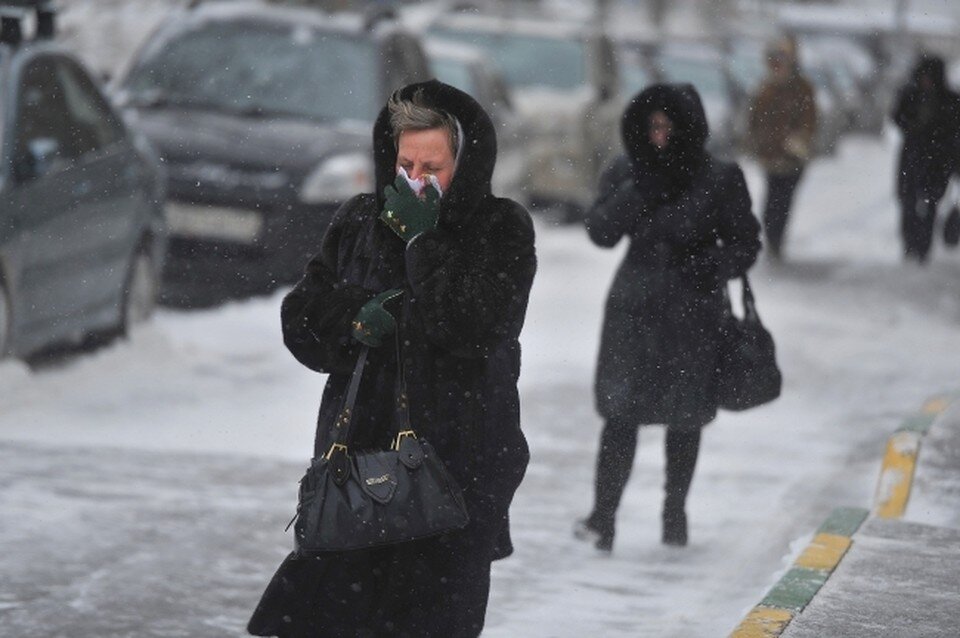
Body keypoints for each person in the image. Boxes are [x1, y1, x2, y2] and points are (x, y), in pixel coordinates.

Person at [247, 80, 537, 637]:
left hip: (457, 475)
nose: (416, 180)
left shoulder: (500, 228)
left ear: (466, 161)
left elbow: (474, 328)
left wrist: (422, 244)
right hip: (356, 471)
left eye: (434, 166)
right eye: (406, 163)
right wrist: (357, 320)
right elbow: (302, 318)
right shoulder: (360, 219)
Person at [575, 83, 761, 551]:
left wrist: (714, 264)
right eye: (651, 126)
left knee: (685, 417)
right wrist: (639, 186)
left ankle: (674, 513)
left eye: (668, 125)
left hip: (693, 311)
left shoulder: (720, 177)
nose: (659, 135)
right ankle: (603, 517)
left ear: (688, 127)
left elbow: (746, 243)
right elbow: (599, 231)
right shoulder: (626, 168)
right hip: (633, 305)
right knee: (620, 414)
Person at [748, 36, 817, 261]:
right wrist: (757, 143)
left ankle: (776, 241)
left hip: (792, 159)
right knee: (771, 201)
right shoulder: (766, 88)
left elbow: (810, 120)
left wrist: (798, 140)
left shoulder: (802, 89)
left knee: (783, 200)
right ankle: (771, 238)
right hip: (770, 156)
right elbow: (755, 119)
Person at [892, 53, 960, 264]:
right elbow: (897, 117)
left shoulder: (950, 100)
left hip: (938, 160)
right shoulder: (910, 95)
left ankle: (923, 246)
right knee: (908, 201)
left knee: (930, 204)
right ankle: (910, 243)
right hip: (913, 158)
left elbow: (954, 132)